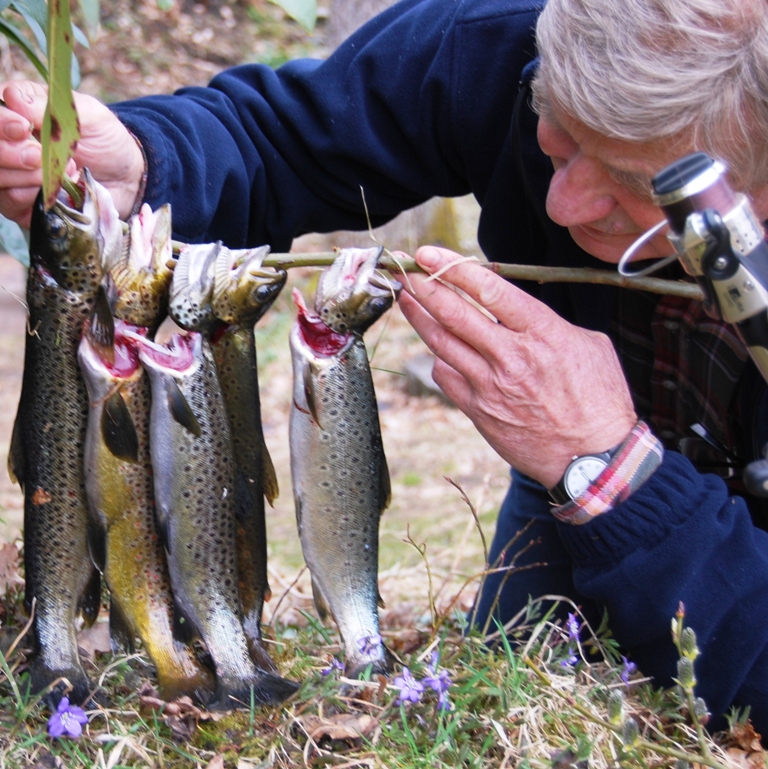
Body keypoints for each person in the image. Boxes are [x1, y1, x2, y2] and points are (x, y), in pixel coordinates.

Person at [0, 0, 767, 736]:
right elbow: (286, 137)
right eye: (558, 136)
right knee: (507, 693)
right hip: (563, 487)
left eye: (636, 184)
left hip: (662, 508)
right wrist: (146, 164)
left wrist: (609, 468)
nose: (563, 204)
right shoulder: (505, 45)